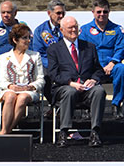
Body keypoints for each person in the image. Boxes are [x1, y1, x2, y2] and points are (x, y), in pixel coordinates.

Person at [47, 16, 105, 148]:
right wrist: (70, 83)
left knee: (99, 91)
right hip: (65, 87)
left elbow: (98, 70)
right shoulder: (54, 49)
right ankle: (64, 131)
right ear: (61, 30)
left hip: (86, 87)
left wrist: (94, 79)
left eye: (75, 27)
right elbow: (53, 74)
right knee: (70, 92)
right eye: (70, 28)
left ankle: (95, 132)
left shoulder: (89, 47)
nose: (73, 30)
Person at [79, 0, 124, 119]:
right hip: (93, 67)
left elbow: (121, 48)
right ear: (93, 12)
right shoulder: (85, 30)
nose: (102, 14)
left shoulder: (117, 29)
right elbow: (82, 51)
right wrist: (96, 68)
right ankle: (87, 106)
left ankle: (116, 105)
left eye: (105, 12)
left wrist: (112, 63)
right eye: (99, 12)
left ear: (109, 12)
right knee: (83, 71)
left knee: (122, 69)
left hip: (111, 66)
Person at [0, 23, 44, 136]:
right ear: (15, 40)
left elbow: (40, 79)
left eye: (29, 37)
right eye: (24, 38)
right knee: (11, 96)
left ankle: (7, 130)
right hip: (10, 89)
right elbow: (2, 80)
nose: (28, 41)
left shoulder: (35, 56)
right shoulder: (4, 57)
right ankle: (5, 129)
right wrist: (10, 86)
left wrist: (31, 86)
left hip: (29, 90)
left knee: (22, 98)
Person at [31, 0, 65, 102]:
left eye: (63, 13)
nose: (61, 16)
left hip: (67, 64)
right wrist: (53, 65)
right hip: (48, 65)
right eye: (58, 13)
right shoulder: (40, 31)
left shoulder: (69, 28)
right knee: (45, 78)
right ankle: (54, 105)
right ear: (49, 13)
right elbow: (38, 53)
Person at [0, 0, 20, 71]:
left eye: (8, 12)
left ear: (15, 12)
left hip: (20, 67)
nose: (5, 15)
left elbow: (29, 48)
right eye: (3, 12)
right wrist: (0, 63)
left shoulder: (23, 30)